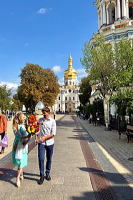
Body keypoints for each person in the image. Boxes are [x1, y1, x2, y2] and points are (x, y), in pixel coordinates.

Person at [36, 107, 56, 185]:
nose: (43, 115)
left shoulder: (52, 121)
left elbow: (53, 134)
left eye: (45, 113)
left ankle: (47, 173)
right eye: (43, 113)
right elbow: (36, 130)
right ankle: (41, 176)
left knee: (49, 159)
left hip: (50, 143)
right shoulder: (40, 120)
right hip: (41, 143)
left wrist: (45, 137)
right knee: (41, 159)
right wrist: (36, 138)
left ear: (48, 113)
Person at [12, 112, 31, 187]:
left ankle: (21, 174)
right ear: (19, 118)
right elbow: (19, 136)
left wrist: (31, 132)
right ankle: (17, 179)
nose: (25, 118)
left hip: (23, 144)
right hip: (18, 145)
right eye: (23, 117)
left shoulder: (23, 125)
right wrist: (28, 135)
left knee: (21, 161)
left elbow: (26, 135)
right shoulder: (15, 126)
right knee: (20, 161)